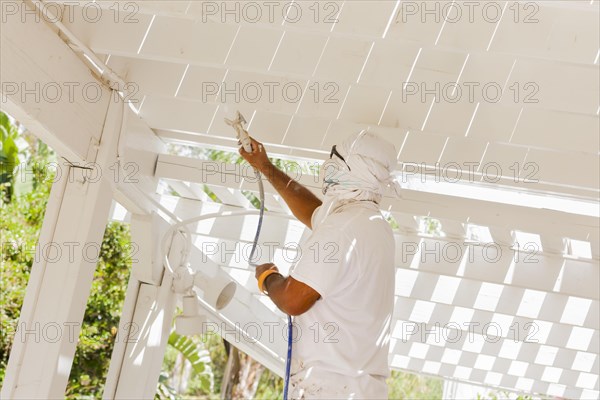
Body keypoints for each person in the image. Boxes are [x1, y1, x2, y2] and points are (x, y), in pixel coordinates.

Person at [239, 130, 399, 399]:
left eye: (336, 158)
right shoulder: (372, 225)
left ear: (351, 168)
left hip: (330, 387)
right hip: (356, 388)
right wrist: (266, 167)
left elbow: (293, 300)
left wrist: (267, 278)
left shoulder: (343, 228)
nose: (328, 165)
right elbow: (314, 212)